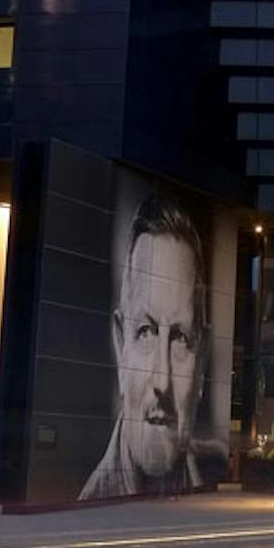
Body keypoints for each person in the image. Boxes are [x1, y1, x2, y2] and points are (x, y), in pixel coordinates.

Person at [81, 193, 212, 499]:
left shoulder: (208, 469)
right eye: (146, 332)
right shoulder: (94, 497)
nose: (162, 380)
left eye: (180, 338)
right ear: (119, 342)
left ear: (202, 362)